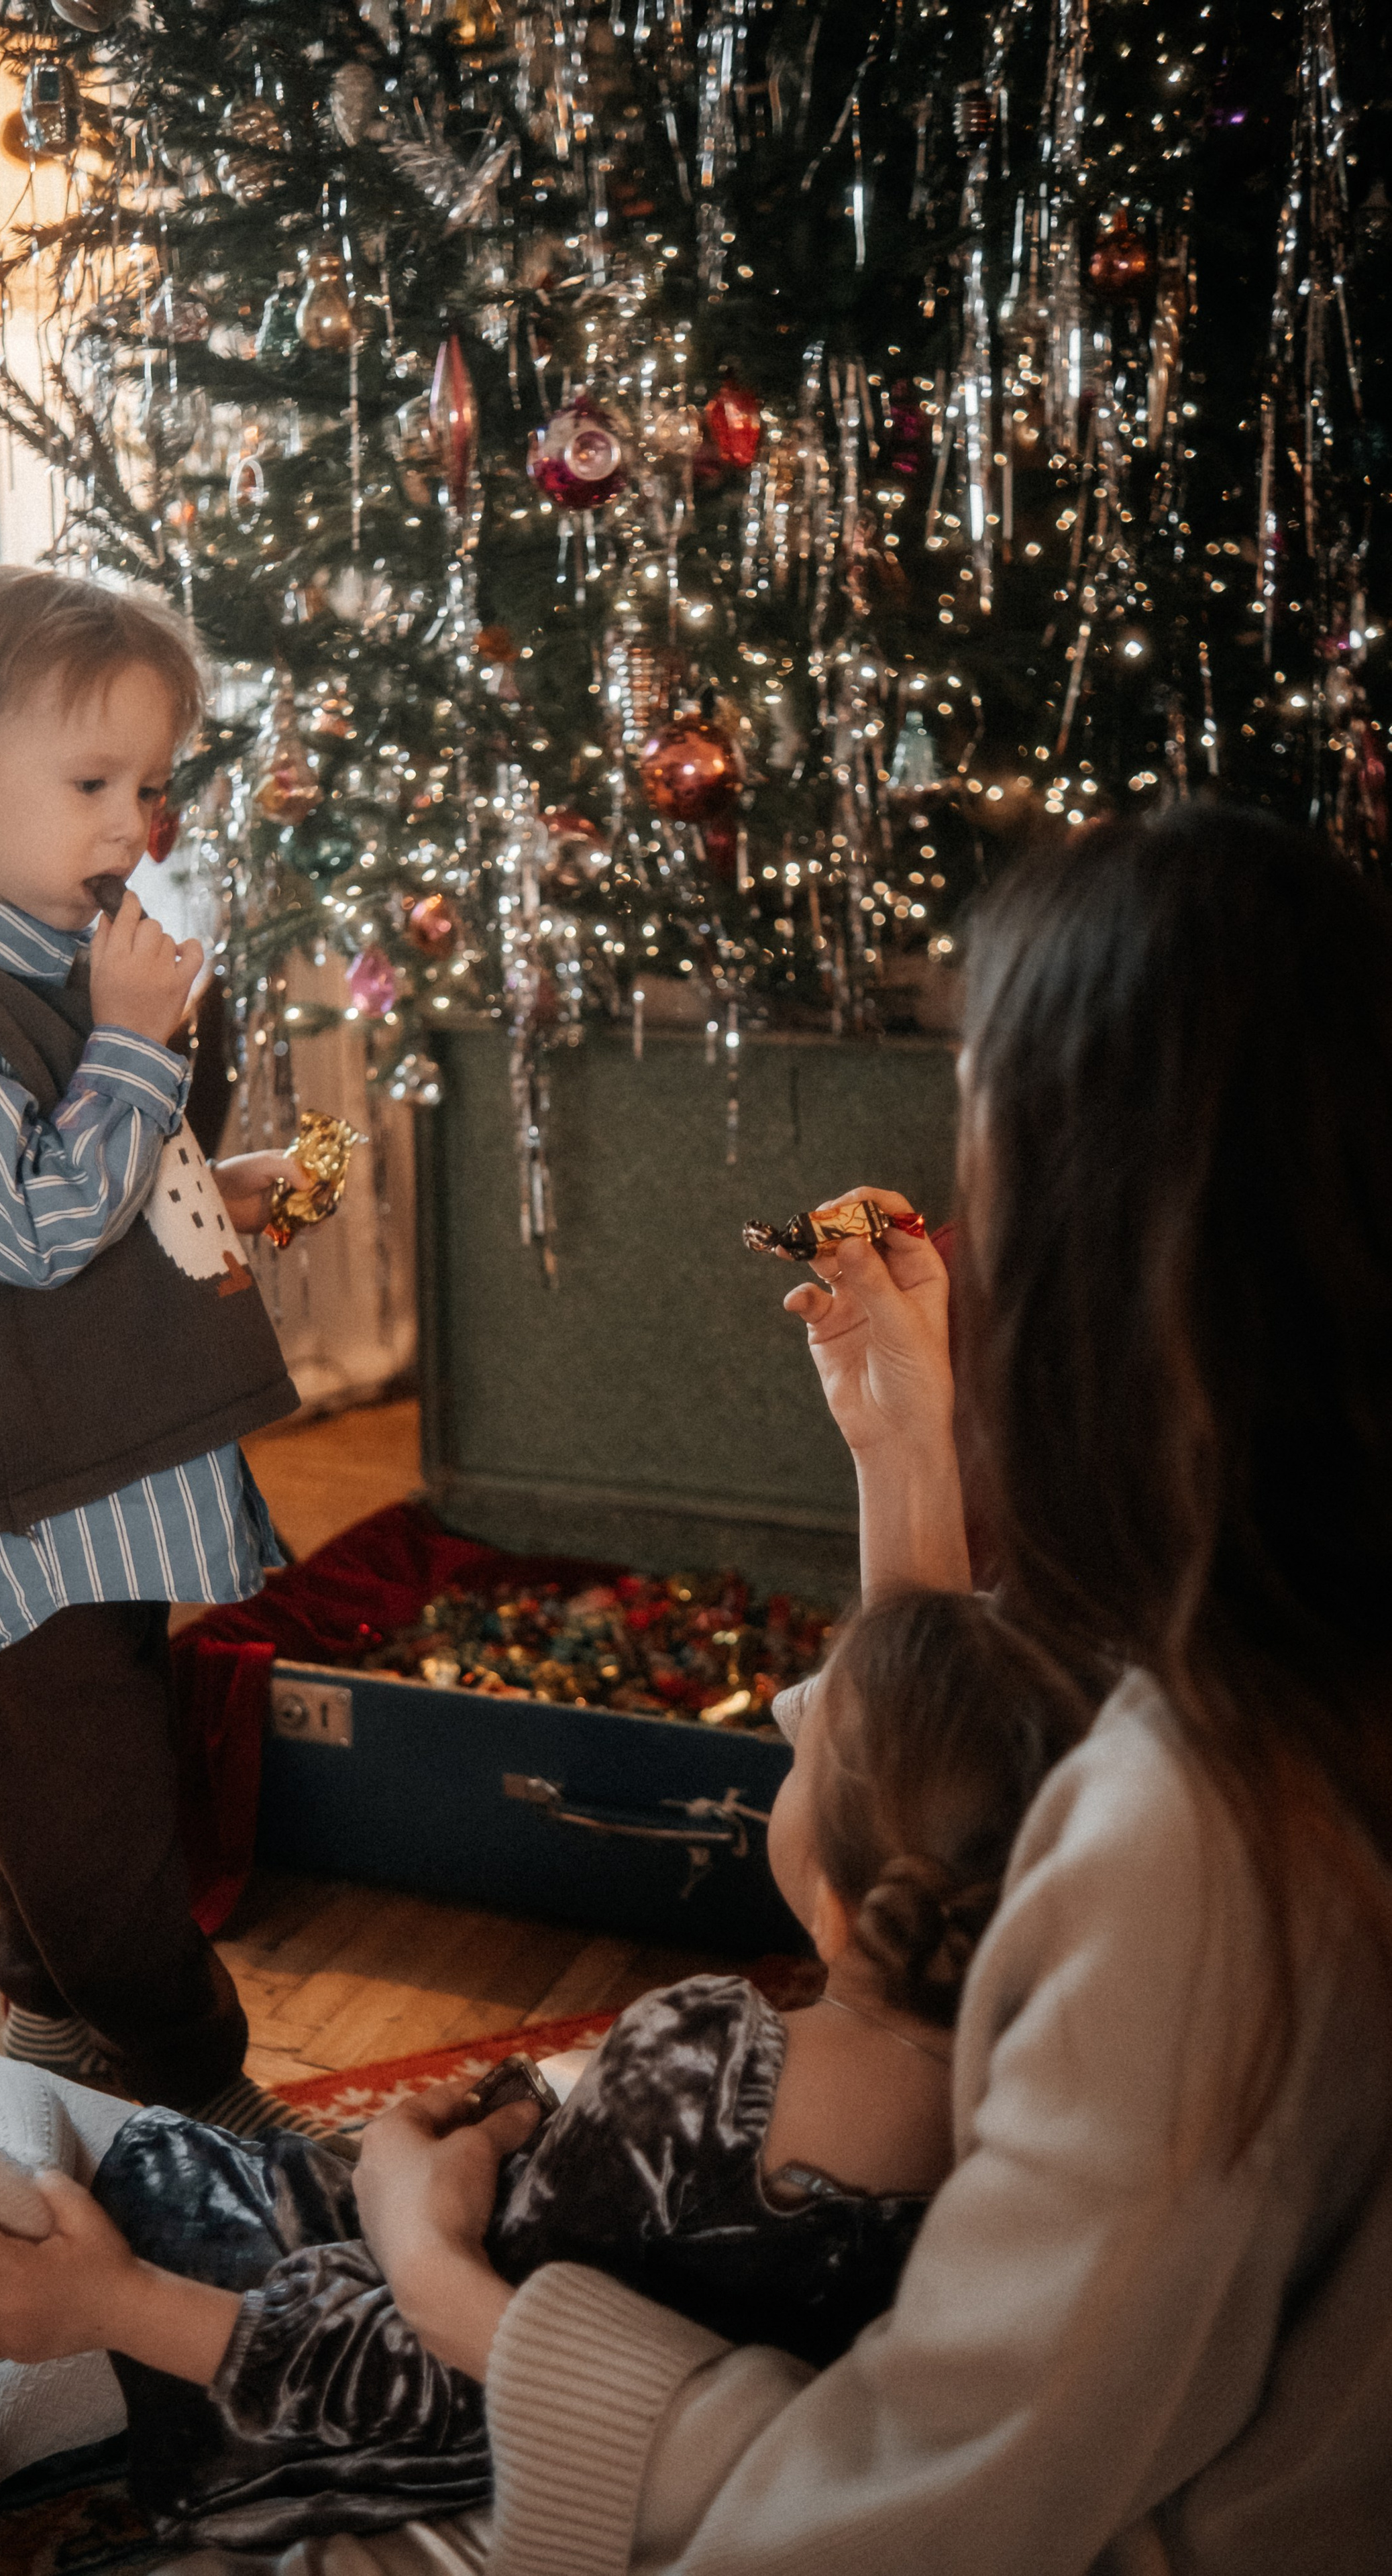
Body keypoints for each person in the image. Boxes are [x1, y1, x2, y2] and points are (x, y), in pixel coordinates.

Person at [340, 806, 1392, 2575]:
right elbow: (972, 1808)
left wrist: (443, 2284)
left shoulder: (1211, 1845)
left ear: (1100, 1253)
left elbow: (915, 2500)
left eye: (998, 1164)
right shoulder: (1299, 1649)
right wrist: (912, 1466)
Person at [0, 1590, 1083, 2558]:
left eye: (797, 1755)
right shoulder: (1004, 2132)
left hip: (337, 2364)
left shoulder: (708, 2053)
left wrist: (128, 2297)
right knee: (144, 2227)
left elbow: (437, 2356)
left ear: (831, 1899)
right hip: (563, 2428)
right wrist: (527, 2120)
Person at [0, 565, 323, 2139]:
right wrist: (130, 1047)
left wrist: (203, 1184)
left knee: (99, 1766)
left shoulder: (59, 965)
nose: (131, 823)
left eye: (151, 785)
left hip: (83, 1472)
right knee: (97, 1821)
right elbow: (25, 1233)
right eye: (91, 782)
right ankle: (199, 2088)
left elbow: (88, 1198)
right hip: (8, 1501)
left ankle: (44, 2009)